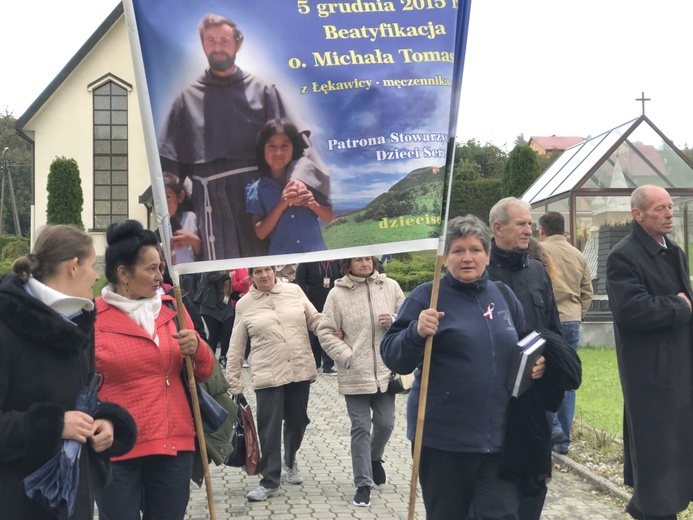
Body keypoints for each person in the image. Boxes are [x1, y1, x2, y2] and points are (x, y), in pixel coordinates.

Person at [380, 215, 541, 519]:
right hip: (443, 441)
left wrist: (538, 365)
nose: (467, 258)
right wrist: (415, 331)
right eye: (457, 250)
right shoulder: (427, 296)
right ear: (445, 257)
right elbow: (391, 355)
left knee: (501, 514)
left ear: (487, 255)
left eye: (475, 249)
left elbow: (523, 347)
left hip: (500, 439)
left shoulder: (504, 296)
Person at [158, 14, 328, 261]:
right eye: (210, 40)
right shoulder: (186, 100)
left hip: (257, 195)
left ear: (238, 44)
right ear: (203, 44)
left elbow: (300, 147)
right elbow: (169, 169)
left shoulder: (264, 90)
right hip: (209, 201)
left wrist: (297, 182)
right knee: (219, 270)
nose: (217, 47)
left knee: (262, 263)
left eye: (224, 40)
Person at [0, 225, 136, 520]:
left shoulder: (79, 321)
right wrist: (53, 425)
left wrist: (104, 424)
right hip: (17, 501)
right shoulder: (6, 324)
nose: (97, 275)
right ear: (73, 267)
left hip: (73, 498)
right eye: (92, 265)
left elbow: (83, 398)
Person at [94, 220, 215, 520]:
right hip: (117, 447)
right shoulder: (91, 318)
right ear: (123, 273)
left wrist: (197, 347)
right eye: (150, 269)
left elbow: (206, 370)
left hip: (174, 442)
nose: (159, 275)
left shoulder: (172, 308)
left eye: (160, 267)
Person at [606, 185, 693, 520]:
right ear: (637, 214)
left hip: (681, 366)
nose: (668, 213)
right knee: (656, 453)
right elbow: (631, 311)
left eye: (670, 207)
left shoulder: (674, 251)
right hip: (651, 374)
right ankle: (650, 509)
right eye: (659, 208)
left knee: (679, 448)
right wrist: (679, 307)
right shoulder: (623, 256)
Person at [487, 197, 563, 520]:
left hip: (534, 397)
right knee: (498, 482)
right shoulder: (482, 272)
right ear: (498, 228)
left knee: (535, 480)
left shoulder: (537, 272)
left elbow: (553, 329)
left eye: (530, 224)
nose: (529, 230)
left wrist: (552, 363)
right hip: (495, 397)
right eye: (521, 224)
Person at [226, 266, 320, 502]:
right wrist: (234, 380)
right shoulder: (244, 304)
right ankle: (269, 481)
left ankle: (290, 458)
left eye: (268, 269)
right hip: (267, 372)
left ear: (274, 270)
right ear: (251, 276)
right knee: (269, 428)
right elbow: (236, 345)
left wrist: (336, 333)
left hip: (298, 366)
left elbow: (316, 320)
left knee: (298, 420)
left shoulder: (294, 291)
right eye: (258, 271)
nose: (264, 275)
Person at [317, 256, 404, 507]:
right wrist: (346, 356)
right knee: (360, 428)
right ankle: (363, 484)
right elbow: (324, 331)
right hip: (355, 371)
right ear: (348, 264)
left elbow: (409, 320)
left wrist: (395, 320)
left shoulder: (391, 287)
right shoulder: (337, 294)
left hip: (386, 372)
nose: (365, 263)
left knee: (386, 424)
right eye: (359, 260)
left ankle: (375, 458)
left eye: (368, 259)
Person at [539, 211, 593, 455]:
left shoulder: (540, 251)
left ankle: (553, 428)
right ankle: (564, 441)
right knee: (568, 380)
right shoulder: (578, 254)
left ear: (543, 230)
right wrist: (578, 313)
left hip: (549, 321)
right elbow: (587, 291)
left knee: (544, 376)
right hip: (572, 319)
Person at [246, 118, 334, 254]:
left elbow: (329, 217)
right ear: (262, 149)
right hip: (283, 259)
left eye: (285, 146)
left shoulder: (309, 179)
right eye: (271, 146)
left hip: (317, 254)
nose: (278, 153)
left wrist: (313, 204)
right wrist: (281, 203)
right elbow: (260, 233)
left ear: (294, 148)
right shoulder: (257, 189)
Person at [295, 260, 342, 373]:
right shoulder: (307, 262)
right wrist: (305, 300)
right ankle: (315, 363)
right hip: (312, 303)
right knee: (313, 335)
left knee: (329, 332)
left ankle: (328, 365)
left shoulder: (334, 261)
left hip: (330, 302)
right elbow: (300, 282)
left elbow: (340, 278)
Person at [194, 270, 235, 367]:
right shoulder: (210, 267)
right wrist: (226, 275)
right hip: (210, 305)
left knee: (228, 330)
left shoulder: (230, 269)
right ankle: (210, 359)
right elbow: (210, 278)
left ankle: (223, 356)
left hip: (225, 305)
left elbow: (234, 287)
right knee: (214, 334)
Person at [163, 172, 201, 264]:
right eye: (159, 198)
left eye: (167, 197)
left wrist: (193, 240)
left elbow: (200, 252)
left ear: (180, 196)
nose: (163, 203)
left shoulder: (190, 218)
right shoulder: (160, 224)